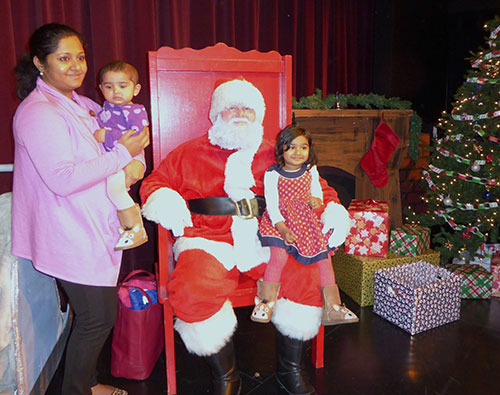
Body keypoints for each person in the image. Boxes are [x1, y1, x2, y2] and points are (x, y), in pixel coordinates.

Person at [140, 78, 351, 395]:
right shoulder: (187, 154)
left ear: (259, 115)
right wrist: (164, 200)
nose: (239, 113)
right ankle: (226, 376)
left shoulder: (276, 153)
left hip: (265, 238)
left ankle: (290, 369)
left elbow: (318, 188)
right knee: (192, 288)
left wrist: (333, 209)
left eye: (247, 108)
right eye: (231, 107)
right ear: (216, 113)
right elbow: (154, 183)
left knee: (306, 274)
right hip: (207, 239)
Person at [11, 23, 149, 395]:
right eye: (64, 58)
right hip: (67, 233)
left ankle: (86, 383)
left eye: (81, 57)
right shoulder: (38, 113)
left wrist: (136, 163)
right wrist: (125, 154)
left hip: (92, 227)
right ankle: (76, 390)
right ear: (41, 63)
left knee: (94, 316)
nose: (76, 66)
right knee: (97, 318)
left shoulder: (86, 105)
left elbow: (132, 147)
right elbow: (64, 178)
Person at [251, 125, 358, 327]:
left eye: (303, 147)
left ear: (310, 150)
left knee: (324, 257)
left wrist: (317, 200)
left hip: (303, 219)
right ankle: (266, 302)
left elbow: (317, 191)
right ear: (281, 149)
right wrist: (282, 229)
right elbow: (272, 205)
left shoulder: (310, 169)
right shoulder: (273, 174)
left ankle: (332, 308)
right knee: (279, 256)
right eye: (291, 147)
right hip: (279, 220)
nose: (298, 152)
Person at [94, 60, 149, 250]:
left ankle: (134, 227)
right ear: (101, 88)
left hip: (130, 159)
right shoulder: (107, 108)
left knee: (115, 189)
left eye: (122, 86)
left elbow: (137, 137)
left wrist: (106, 136)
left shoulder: (135, 111)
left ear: (135, 89)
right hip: (115, 159)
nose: (116, 91)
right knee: (113, 190)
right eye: (109, 87)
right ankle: (128, 226)